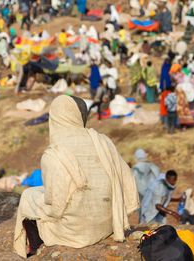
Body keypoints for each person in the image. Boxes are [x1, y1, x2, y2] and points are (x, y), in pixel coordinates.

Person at [13, 95, 139, 258]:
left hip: (75, 233)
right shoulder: (102, 140)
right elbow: (126, 179)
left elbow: (54, 204)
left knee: (28, 196)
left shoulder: (54, 153)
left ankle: (36, 250)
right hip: (107, 225)